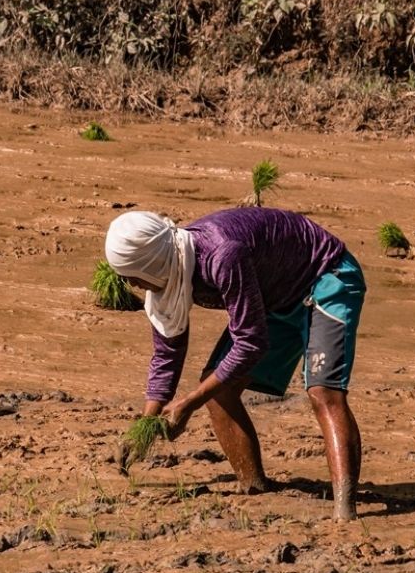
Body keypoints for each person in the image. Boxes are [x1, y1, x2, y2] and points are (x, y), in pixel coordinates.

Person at [105, 207, 366, 521]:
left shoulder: (222, 255)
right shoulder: (172, 266)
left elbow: (251, 343)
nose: (135, 286)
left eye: (133, 278)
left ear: (151, 266)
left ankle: (345, 513)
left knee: (324, 392)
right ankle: (256, 489)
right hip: (273, 296)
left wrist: (188, 404)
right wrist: (144, 427)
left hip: (325, 277)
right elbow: (166, 354)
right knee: (218, 389)